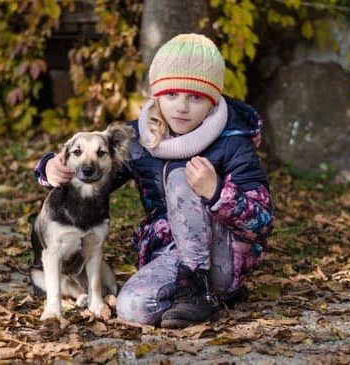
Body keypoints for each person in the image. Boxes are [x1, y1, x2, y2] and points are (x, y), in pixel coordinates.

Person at [34, 33, 274, 328]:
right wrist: (49, 168)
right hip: (172, 255)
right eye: (172, 95)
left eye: (195, 97)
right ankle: (201, 297)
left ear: (212, 102)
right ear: (157, 96)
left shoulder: (234, 142)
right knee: (132, 308)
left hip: (223, 256)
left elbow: (262, 222)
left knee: (180, 178)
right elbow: (93, 168)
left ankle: (204, 292)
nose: (182, 107)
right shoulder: (141, 139)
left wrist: (216, 194)